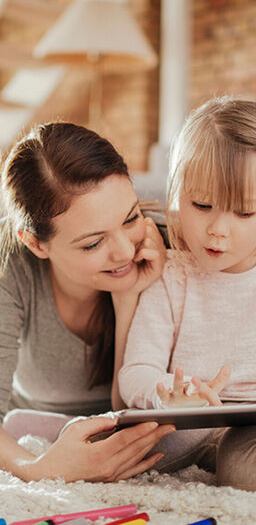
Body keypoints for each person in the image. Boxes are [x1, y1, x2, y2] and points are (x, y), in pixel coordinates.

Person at [118, 97, 256, 491]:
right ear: (178, 192)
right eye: (201, 205)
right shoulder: (173, 273)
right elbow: (134, 373)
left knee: (244, 465)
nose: (218, 229)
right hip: (185, 425)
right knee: (110, 446)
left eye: (243, 213)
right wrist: (167, 392)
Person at [0, 122, 174, 481]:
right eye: (93, 243)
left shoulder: (163, 247)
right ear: (36, 243)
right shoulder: (11, 264)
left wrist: (127, 300)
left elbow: (134, 412)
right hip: (31, 427)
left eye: (130, 218)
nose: (126, 251)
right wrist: (39, 468)